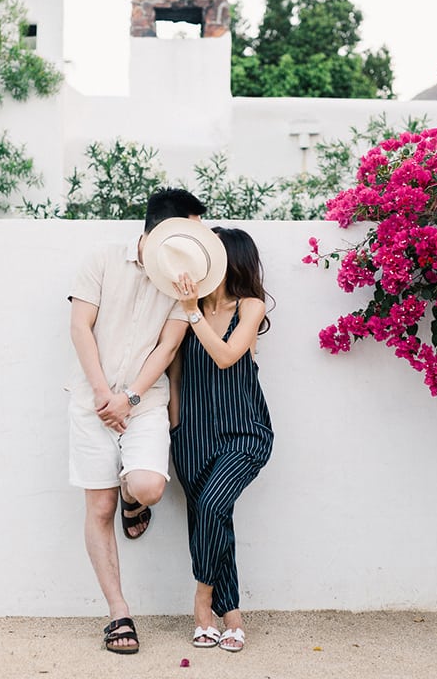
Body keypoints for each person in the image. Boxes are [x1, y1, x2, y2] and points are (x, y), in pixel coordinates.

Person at [67, 188, 207, 656]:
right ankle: (118, 613)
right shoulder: (102, 260)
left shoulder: (182, 281)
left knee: (148, 485)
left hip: (144, 402)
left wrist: (129, 397)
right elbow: (80, 327)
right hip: (93, 400)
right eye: (189, 227)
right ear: (162, 228)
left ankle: (134, 499)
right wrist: (105, 395)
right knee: (99, 508)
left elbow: (168, 347)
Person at [169, 227, 274, 653]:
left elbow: (227, 355)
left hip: (242, 431)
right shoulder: (180, 309)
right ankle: (231, 617)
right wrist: (176, 423)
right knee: (214, 519)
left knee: (212, 506)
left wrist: (193, 312)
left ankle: (202, 602)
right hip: (192, 433)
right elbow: (175, 371)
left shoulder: (249, 305)